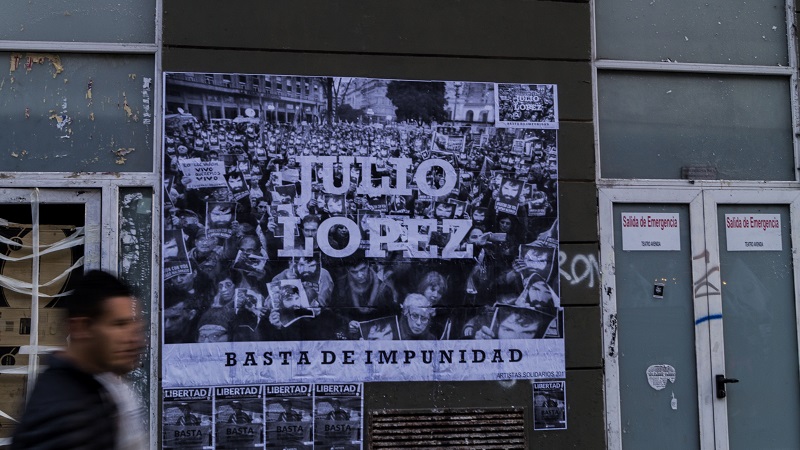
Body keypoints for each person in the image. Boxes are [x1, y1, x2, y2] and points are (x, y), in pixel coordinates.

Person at [12, 270, 145, 450]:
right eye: (119, 325)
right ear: (81, 328)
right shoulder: (65, 414)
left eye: (135, 327)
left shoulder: (96, 386)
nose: (135, 340)